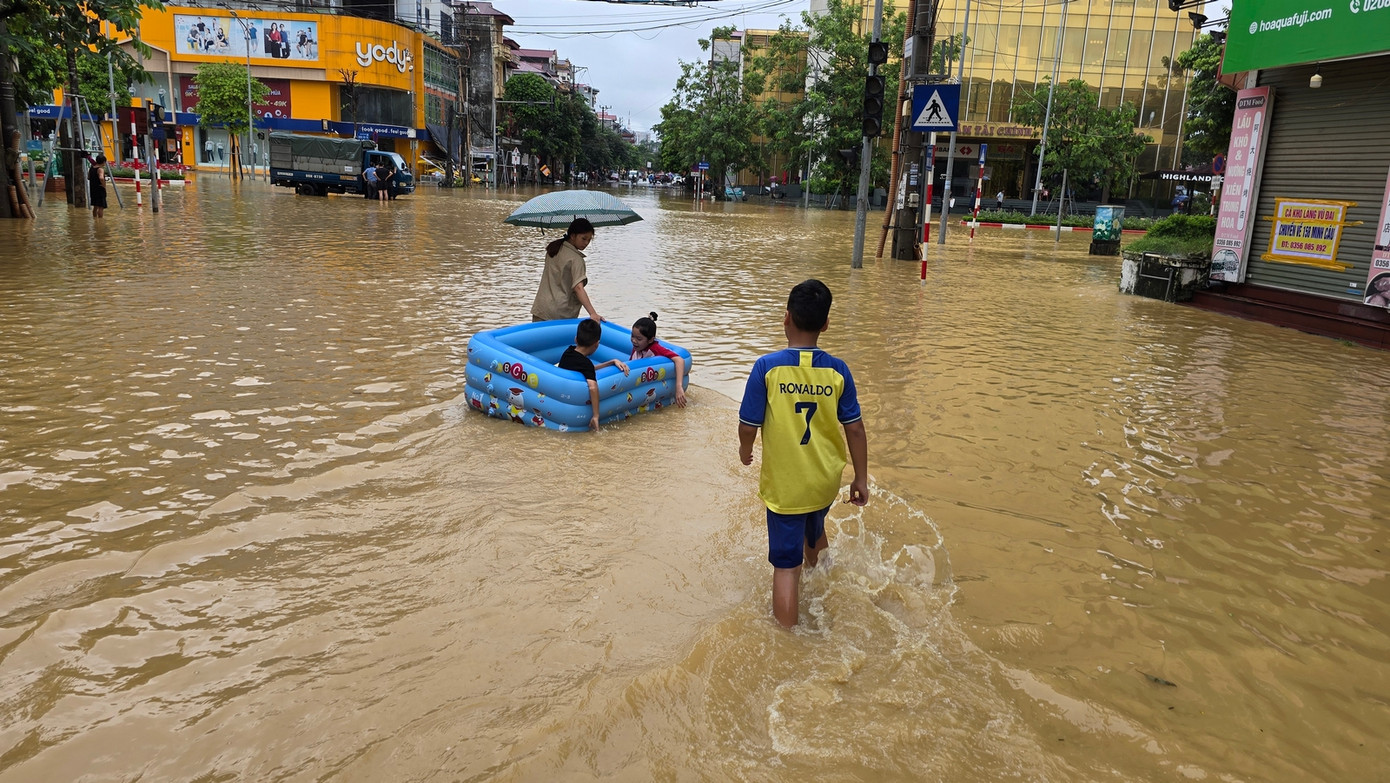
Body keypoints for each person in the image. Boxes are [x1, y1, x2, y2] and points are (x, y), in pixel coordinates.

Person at [738, 279, 869, 628]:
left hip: (786, 487)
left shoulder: (767, 368)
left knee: (786, 565)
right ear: (825, 324)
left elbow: (748, 424)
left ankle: (787, 642)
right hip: (824, 481)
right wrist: (860, 477)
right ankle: (827, 583)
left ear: (786, 318)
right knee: (815, 526)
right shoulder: (837, 370)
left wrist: (745, 448)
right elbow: (854, 428)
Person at [558, 318, 629, 432]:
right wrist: (596, 416)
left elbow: (587, 369)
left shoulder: (568, 352)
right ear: (597, 344)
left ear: (576, 339)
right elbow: (592, 386)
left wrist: (611, 362)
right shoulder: (586, 364)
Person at [531, 217, 604, 322]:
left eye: (589, 240)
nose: (586, 243)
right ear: (573, 236)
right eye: (584, 238)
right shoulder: (576, 259)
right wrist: (593, 313)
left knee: (537, 338)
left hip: (541, 308)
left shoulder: (553, 249)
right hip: (559, 313)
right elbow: (578, 288)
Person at [629, 312, 687, 408]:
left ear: (651, 340)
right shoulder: (637, 347)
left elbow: (679, 360)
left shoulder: (655, 348)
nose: (634, 340)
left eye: (639, 338)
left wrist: (678, 386)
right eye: (632, 336)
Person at [87, 154, 108, 219]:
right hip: (99, 189)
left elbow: (88, 177)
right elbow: (101, 178)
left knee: (95, 206)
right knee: (101, 207)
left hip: (93, 189)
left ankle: (95, 219)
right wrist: (104, 185)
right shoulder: (100, 169)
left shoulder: (92, 168)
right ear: (104, 162)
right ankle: (100, 222)